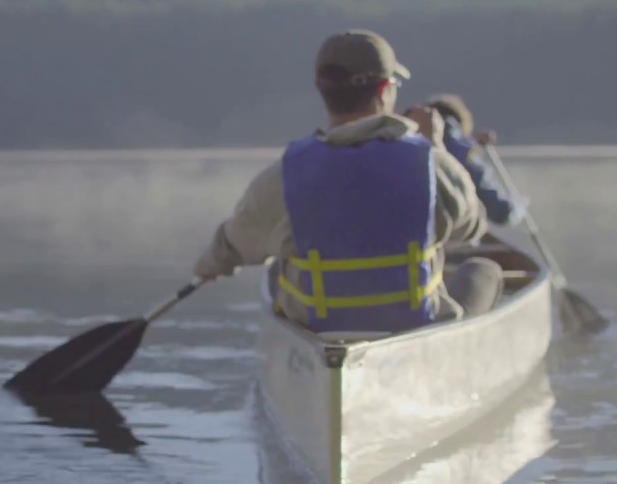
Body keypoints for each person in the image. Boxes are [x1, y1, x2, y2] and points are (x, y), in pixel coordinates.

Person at [191, 29, 505, 333]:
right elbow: (471, 228)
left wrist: (211, 266)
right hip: (413, 328)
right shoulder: (432, 165)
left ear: (320, 89)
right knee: (485, 271)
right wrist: (434, 146)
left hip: (321, 332)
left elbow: (235, 243)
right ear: (384, 91)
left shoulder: (285, 174)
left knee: (277, 268)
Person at [421, 93, 525, 226]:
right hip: (450, 234)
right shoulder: (464, 154)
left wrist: (472, 141)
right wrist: (519, 207)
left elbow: (447, 143)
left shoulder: (413, 144)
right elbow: (500, 211)